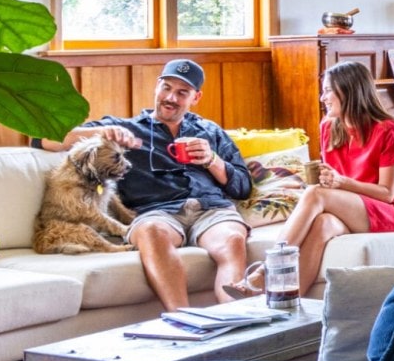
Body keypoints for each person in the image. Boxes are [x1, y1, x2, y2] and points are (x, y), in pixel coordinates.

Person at [45, 58, 251, 312]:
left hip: (211, 210)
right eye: (166, 88)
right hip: (156, 212)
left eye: (182, 93)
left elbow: (243, 187)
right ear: (157, 87)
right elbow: (46, 138)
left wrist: (213, 160)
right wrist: (104, 132)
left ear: (196, 97)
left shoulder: (210, 132)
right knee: (151, 232)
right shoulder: (126, 129)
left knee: (232, 240)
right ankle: (183, 320)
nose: (171, 98)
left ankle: (236, 317)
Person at [232, 60, 394, 298]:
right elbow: (330, 182)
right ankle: (289, 306)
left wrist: (341, 183)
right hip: (351, 206)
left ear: (349, 90)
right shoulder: (329, 127)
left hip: (391, 210)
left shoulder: (388, 129)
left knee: (316, 195)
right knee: (323, 225)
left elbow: (387, 193)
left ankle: (265, 268)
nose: (323, 98)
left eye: (328, 90)